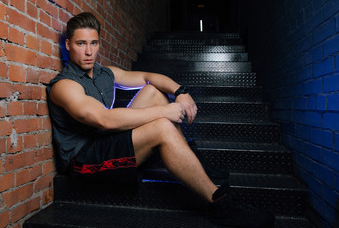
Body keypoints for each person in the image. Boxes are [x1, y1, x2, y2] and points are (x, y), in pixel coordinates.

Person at [47, 12, 274, 228]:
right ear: (68, 45)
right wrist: (165, 112)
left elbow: (149, 77)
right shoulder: (65, 86)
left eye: (93, 43)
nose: (89, 51)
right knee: (163, 127)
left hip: (106, 142)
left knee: (154, 92)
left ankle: (193, 162)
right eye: (81, 44)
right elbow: (104, 119)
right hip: (84, 161)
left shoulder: (104, 73)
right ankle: (220, 204)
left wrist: (181, 91)